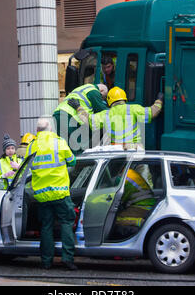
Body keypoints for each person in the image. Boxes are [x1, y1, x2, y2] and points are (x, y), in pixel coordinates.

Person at [26, 116, 78, 271]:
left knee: (46, 227)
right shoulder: (59, 142)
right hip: (60, 193)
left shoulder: (31, 146)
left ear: (37, 130)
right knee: (66, 223)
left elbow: (28, 168)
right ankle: (67, 259)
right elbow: (73, 161)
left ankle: (46, 262)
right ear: (50, 128)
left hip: (42, 195)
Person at [68, 86, 164, 149]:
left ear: (109, 101)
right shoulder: (134, 108)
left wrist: (78, 107)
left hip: (117, 151)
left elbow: (89, 121)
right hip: (135, 149)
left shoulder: (106, 114)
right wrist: (159, 100)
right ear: (124, 97)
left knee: (120, 177)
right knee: (143, 175)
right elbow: (153, 112)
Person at [53, 83, 108, 154]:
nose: (101, 99)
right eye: (102, 97)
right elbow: (102, 110)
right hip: (70, 117)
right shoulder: (94, 91)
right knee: (79, 147)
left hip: (58, 114)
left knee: (66, 147)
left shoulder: (82, 89)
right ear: (101, 90)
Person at [113, 166, 156, 238]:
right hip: (149, 204)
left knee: (116, 219)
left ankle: (138, 221)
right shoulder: (131, 173)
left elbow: (120, 199)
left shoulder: (121, 179)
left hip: (142, 206)